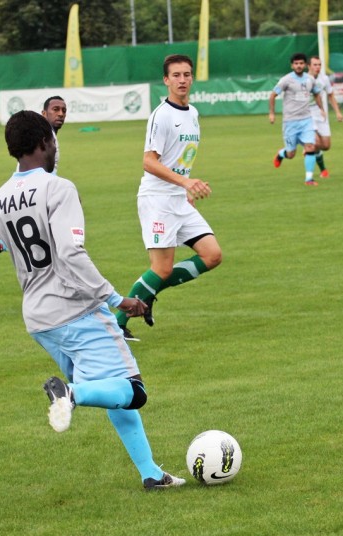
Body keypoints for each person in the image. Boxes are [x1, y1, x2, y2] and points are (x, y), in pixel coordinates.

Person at [0, 110, 185, 490]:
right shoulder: (59, 188)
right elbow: (71, 253)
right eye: (54, 140)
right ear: (43, 144)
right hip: (77, 309)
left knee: (110, 390)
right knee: (133, 391)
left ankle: (151, 474)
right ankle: (69, 393)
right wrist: (118, 299)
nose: (57, 147)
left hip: (39, 320)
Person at [115, 54, 222, 341]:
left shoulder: (194, 113)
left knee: (212, 255)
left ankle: (147, 296)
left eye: (187, 75)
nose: (183, 80)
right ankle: (117, 323)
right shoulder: (161, 115)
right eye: (176, 75)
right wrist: (186, 181)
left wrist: (185, 188)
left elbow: (180, 159)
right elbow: (149, 162)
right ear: (166, 80)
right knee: (161, 268)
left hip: (178, 197)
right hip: (158, 200)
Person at [0, 95, 68, 264]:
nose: (61, 114)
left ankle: (0, 243)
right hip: (34, 189)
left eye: (64, 110)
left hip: (32, 187)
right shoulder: (46, 138)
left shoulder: (48, 136)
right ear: (44, 113)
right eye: (55, 109)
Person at [269, 53, 326, 186]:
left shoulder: (310, 79)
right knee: (291, 154)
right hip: (290, 122)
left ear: (305, 65)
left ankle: (309, 179)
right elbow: (272, 95)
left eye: (301, 63)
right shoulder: (286, 80)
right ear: (292, 65)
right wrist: (272, 114)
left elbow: (317, 93)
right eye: (296, 63)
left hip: (306, 120)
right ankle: (281, 154)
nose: (298, 66)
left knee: (310, 147)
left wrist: (321, 109)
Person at [307, 56, 343, 178]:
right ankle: (319, 170)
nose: (317, 67)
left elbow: (331, 95)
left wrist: (337, 112)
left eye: (319, 65)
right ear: (309, 66)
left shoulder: (324, 79)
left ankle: (310, 150)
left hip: (321, 114)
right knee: (315, 142)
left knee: (326, 145)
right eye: (315, 65)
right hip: (307, 115)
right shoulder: (303, 80)